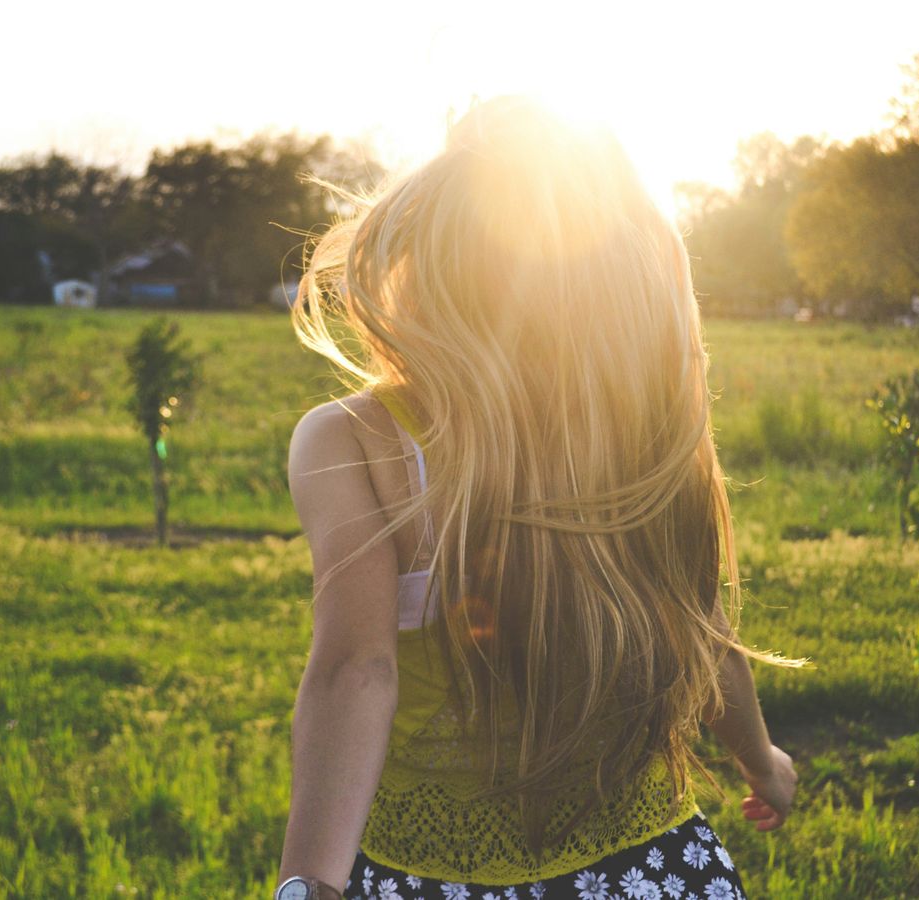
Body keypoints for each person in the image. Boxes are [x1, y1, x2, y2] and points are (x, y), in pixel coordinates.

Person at [276, 95, 802, 900]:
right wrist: (762, 762)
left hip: (434, 876)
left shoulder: (356, 438)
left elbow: (358, 669)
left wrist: (308, 881)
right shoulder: (644, 430)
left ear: (426, 258)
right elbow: (700, 623)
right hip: (650, 870)